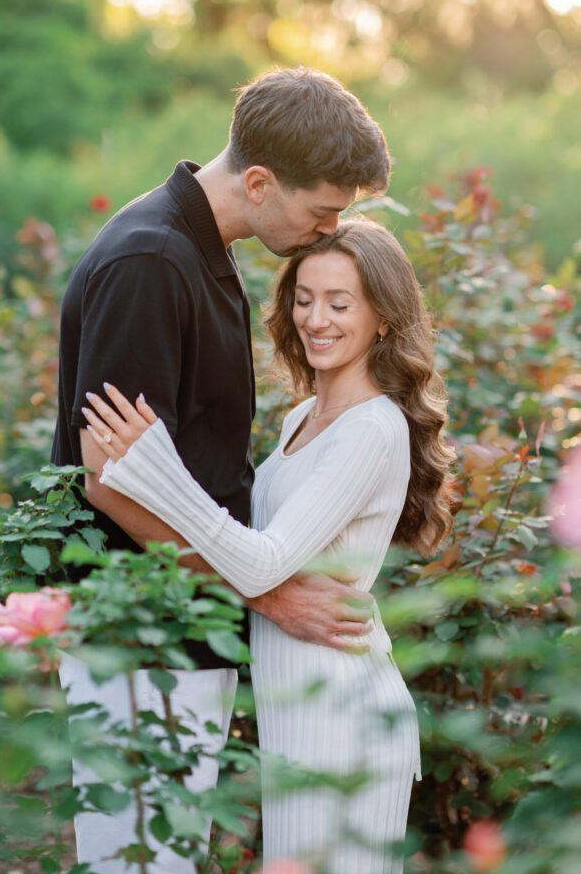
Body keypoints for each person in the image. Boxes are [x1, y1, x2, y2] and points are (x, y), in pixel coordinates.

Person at [50, 66, 392, 873]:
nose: (327, 231)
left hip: (179, 625)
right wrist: (268, 592)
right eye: (322, 212)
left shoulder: (203, 252)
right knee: (137, 863)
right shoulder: (152, 261)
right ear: (262, 182)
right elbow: (111, 476)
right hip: (136, 636)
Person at [82, 217, 454, 873]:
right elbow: (247, 552)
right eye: (304, 299)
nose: (317, 319)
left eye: (341, 304)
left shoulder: (373, 429)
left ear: (384, 320)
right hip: (295, 705)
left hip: (343, 709)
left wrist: (156, 470)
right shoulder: (301, 419)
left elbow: (261, 561)